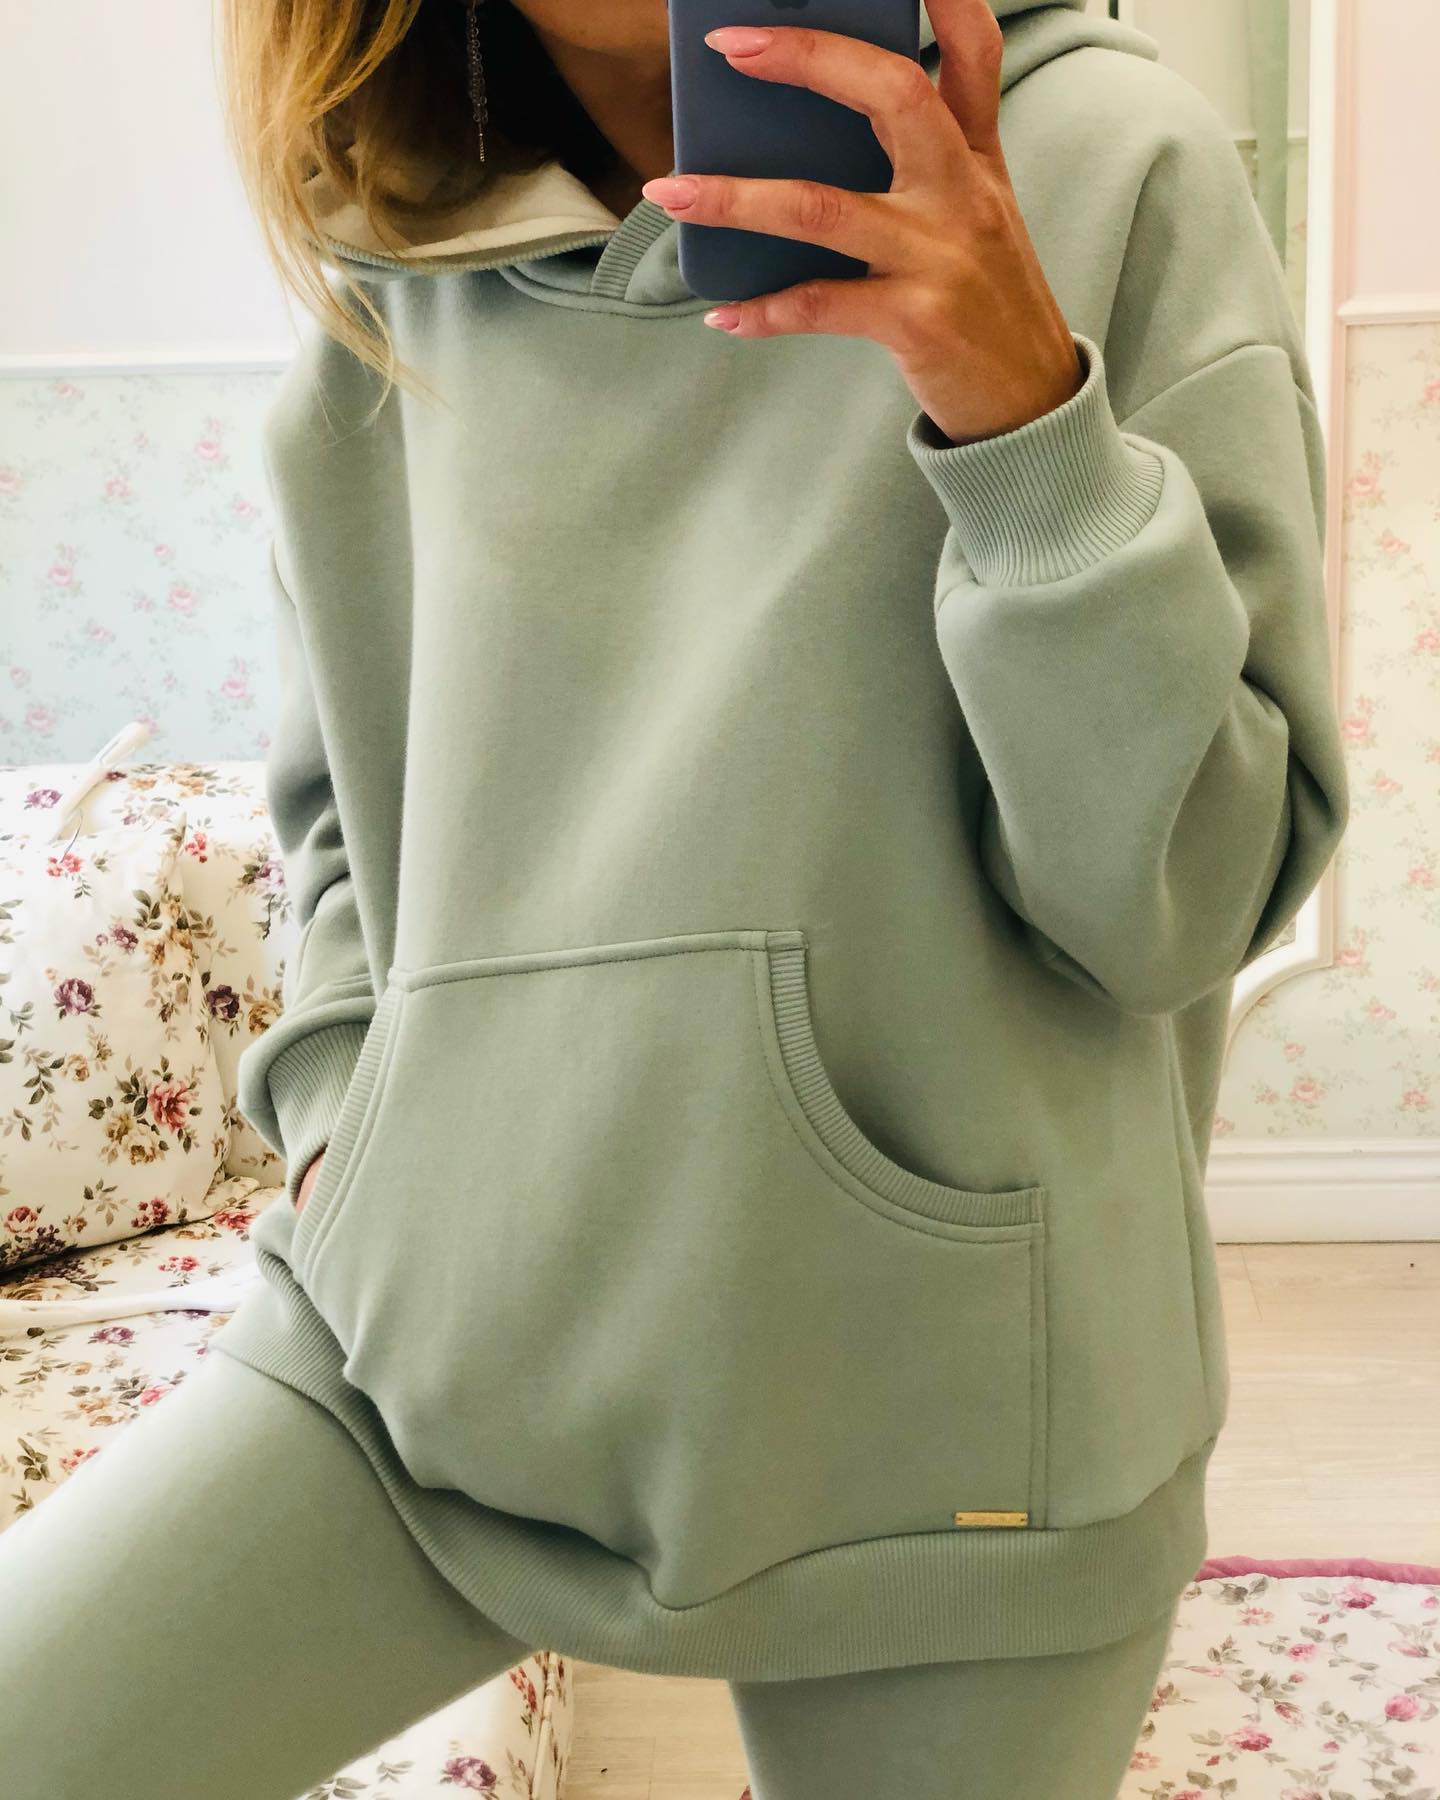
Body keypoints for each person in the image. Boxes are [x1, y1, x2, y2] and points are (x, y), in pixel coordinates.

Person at [0, 1, 1349, 1794]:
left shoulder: (1106, 160)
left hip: (947, 1432)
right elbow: (345, 829)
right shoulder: (389, 250)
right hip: (412, 1361)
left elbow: (1178, 900)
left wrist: (1028, 420)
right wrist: (349, 1132)